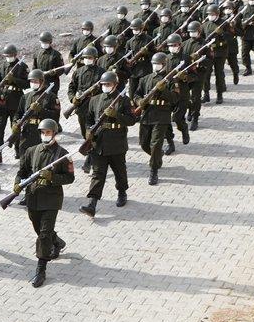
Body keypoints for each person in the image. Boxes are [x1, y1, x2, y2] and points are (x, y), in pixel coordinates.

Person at [15, 119, 74, 287]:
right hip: (33, 197)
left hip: (51, 199)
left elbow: (70, 178)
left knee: (43, 234)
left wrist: (52, 178)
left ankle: (41, 269)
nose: (44, 135)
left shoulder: (62, 154)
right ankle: (57, 242)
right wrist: (17, 184)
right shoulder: (31, 151)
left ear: (54, 133)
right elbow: (22, 171)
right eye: (42, 132)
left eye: (47, 132)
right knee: (38, 228)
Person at [81, 70, 134, 214]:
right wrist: (88, 131)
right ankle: (92, 203)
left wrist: (116, 115)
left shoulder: (124, 100)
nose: (105, 86)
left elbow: (131, 120)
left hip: (117, 142)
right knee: (97, 174)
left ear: (115, 84)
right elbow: (89, 120)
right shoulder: (95, 100)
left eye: (108, 84)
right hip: (99, 143)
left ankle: (122, 192)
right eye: (103, 84)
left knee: (120, 172)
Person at [133, 51, 179, 186]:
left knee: (156, 144)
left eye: (158, 64)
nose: (156, 66)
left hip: (162, 115)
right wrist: (139, 101)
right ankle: (157, 157)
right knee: (143, 144)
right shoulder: (145, 79)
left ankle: (153, 170)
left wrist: (163, 90)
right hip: (147, 114)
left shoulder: (171, 80)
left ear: (164, 65)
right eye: (154, 64)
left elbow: (175, 98)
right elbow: (136, 94)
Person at [16, 68, 60, 161]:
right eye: (31, 81)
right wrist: (15, 123)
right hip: (27, 132)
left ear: (42, 81)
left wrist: (41, 110)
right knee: (24, 160)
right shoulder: (25, 97)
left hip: (42, 132)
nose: (33, 83)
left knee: (40, 160)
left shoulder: (51, 97)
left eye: (35, 81)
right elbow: (18, 114)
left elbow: (55, 117)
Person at [66, 44, 101, 142]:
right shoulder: (78, 72)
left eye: (90, 57)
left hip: (96, 107)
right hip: (82, 107)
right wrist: (73, 99)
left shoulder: (102, 72)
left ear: (95, 58)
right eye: (85, 58)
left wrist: (97, 92)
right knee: (84, 133)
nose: (87, 59)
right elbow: (71, 88)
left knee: (95, 132)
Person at [163, 34, 192, 154]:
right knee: (164, 120)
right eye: (170, 46)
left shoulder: (186, 58)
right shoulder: (166, 59)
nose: (172, 48)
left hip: (182, 93)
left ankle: (183, 128)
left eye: (174, 45)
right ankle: (170, 143)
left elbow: (196, 75)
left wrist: (185, 77)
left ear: (180, 45)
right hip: (168, 93)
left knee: (177, 118)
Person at [0, 44, 29, 139]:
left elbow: (27, 84)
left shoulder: (22, 66)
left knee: (15, 127)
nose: (8, 58)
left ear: (15, 54)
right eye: (7, 56)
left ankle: (17, 152)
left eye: (10, 56)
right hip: (3, 101)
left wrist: (13, 79)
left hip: (16, 99)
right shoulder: (1, 66)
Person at [182, 21, 209, 130]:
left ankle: (195, 118)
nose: (192, 34)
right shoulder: (185, 43)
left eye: (194, 32)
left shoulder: (205, 44)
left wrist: (198, 62)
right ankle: (189, 109)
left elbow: (209, 60)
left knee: (196, 97)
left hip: (198, 74)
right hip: (187, 74)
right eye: (190, 32)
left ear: (199, 31)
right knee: (184, 96)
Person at [31, 31, 65, 98]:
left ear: (50, 42)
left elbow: (62, 70)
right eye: (42, 42)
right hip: (39, 84)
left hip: (52, 85)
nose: (44, 44)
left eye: (46, 42)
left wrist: (54, 72)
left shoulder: (56, 55)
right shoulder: (37, 54)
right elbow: (34, 68)